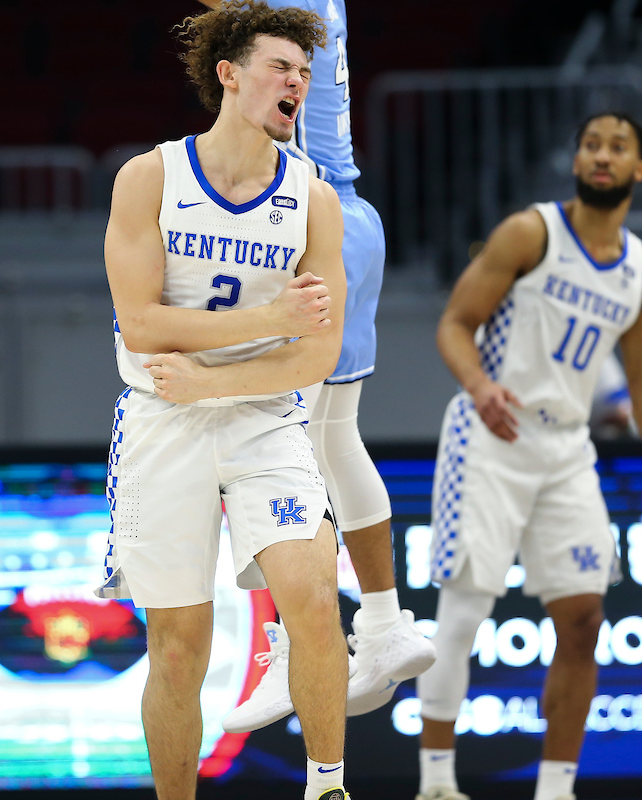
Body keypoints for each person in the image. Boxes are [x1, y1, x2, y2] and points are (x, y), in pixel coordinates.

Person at [415, 112, 642, 800]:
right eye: (591, 145)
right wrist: (480, 385)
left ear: (640, 170)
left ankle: (555, 790)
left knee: (583, 622)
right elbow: (455, 324)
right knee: (462, 614)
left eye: (617, 148)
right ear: (576, 161)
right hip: (491, 433)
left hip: (566, 447)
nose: (601, 156)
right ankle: (435, 782)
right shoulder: (532, 232)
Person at [94, 3, 351, 798]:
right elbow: (141, 323)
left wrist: (221, 374)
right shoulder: (149, 177)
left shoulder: (313, 198)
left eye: (305, 74)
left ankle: (328, 785)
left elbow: (319, 350)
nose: (297, 84)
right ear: (229, 75)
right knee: (178, 646)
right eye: (282, 67)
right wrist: (268, 321)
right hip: (162, 418)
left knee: (311, 598)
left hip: (263, 415)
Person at [193, 0, 436, 735]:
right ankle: (388, 623)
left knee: (261, 448)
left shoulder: (279, 12)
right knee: (333, 442)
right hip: (352, 219)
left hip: (297, 219)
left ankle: (291, 642)